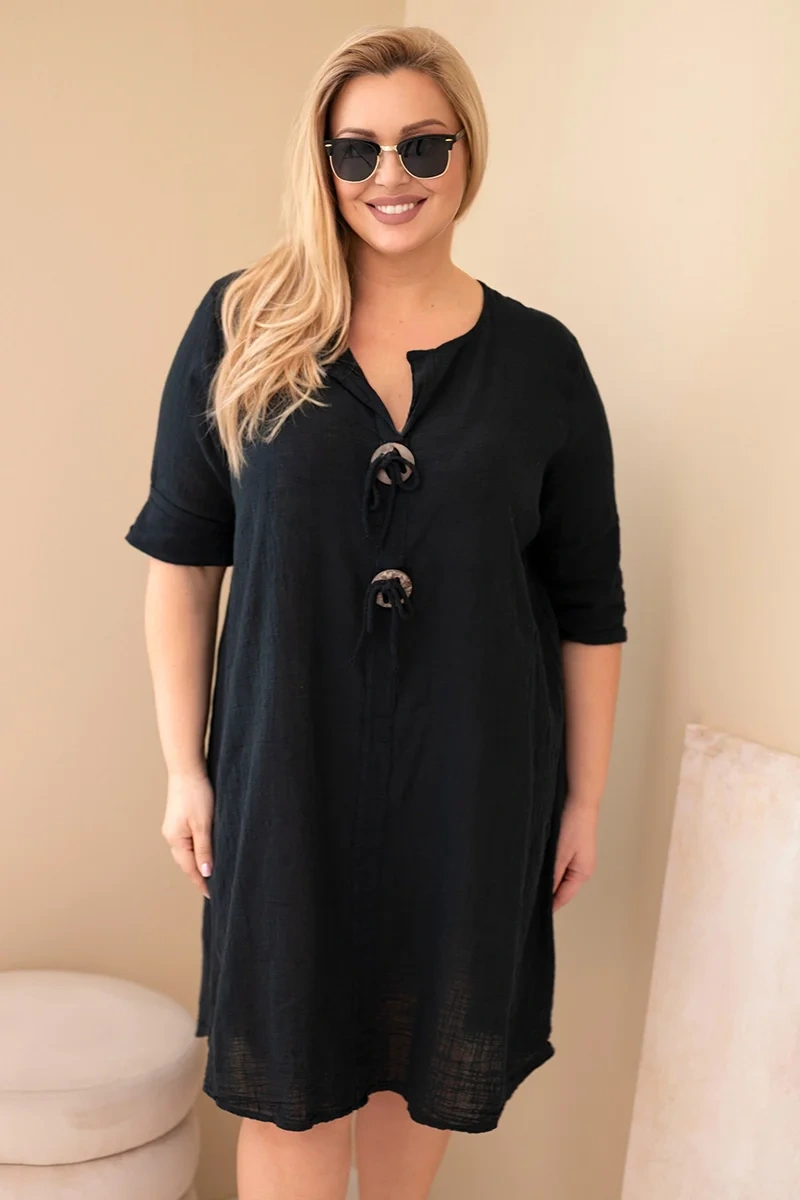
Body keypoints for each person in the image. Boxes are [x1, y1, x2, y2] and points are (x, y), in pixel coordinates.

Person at [124, 23, 628, 1200]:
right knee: (289, 1092)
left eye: (420, 145)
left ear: (465, 152)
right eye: (354, 151)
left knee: (418, 1079)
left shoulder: (541, 362)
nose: (387, 176)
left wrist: (584, 799)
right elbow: (182, 563)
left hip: (474, 787)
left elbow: (587, 603)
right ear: (323, 163)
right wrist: (184, 770)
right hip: (284, 777)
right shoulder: (243, 324)